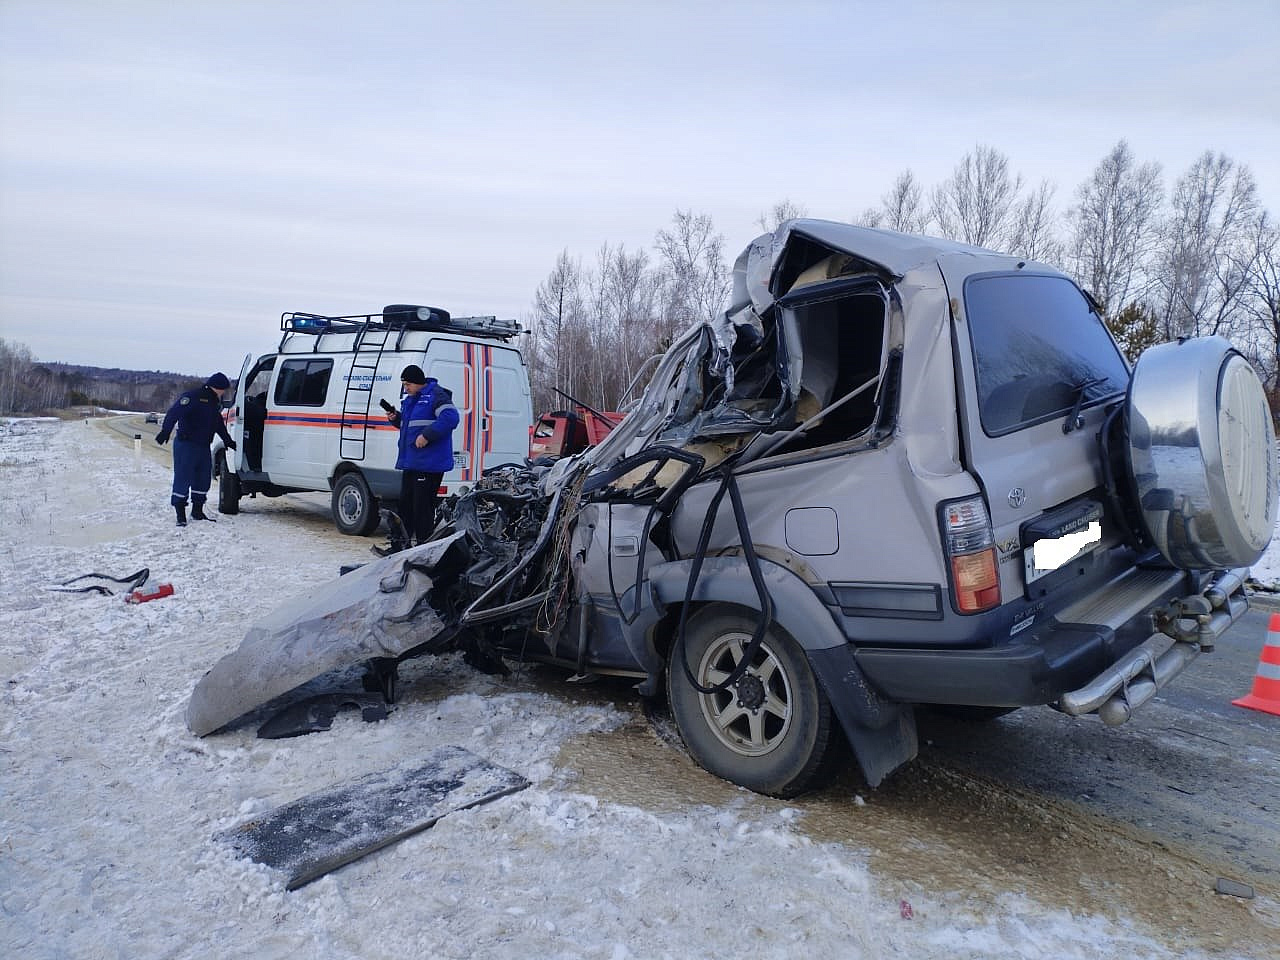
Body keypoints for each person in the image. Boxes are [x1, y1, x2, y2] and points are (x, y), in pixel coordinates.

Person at [383, 364, 459, 548]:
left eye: (408, 384)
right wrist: (396, 418)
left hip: (429, 465)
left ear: (418, 382)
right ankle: (400, 547)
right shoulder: (412, 400)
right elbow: (410, 425)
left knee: (422, 510)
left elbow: (451, 417)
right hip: (411, 463)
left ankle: (424, 548)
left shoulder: (436, 395)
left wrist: (427, 435)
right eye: (404, 384)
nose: (405, 388)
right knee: (405, 507)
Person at [156, 372, 236, 526]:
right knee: (183, 478)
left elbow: (217, 423)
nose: (224, 393)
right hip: (186, 445)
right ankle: (180, 515)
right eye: (223, 389)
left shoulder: (214, 402)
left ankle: (197, 511)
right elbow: (174, 412)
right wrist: (166, 430)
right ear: (217, 387)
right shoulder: (193, 397)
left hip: (203, 445)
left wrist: (227, 440)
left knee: (202, 478)